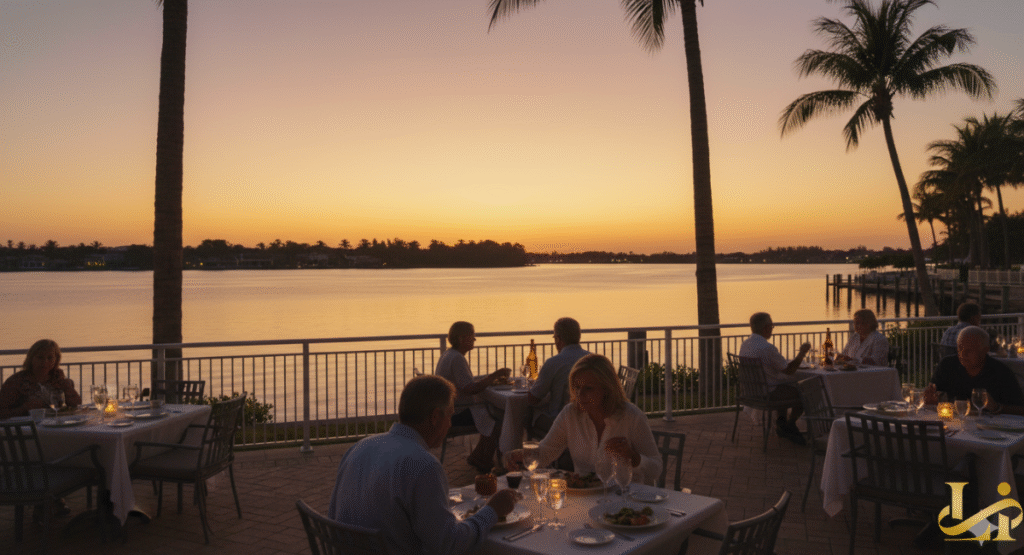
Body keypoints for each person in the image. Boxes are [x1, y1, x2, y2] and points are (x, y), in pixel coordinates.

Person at [327, 375, 517, 555]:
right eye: (449, 416)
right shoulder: (423, 465)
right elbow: (449, 544)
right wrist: (492, 510)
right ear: (435, 417)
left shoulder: (359, 448)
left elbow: (333, 515)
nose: (450, 424)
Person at [505, 353, 662, 484]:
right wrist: (518, 455)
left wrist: (633, 458)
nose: (580, 395)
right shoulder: (570, 415)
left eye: (588, 388)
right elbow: (546, 453)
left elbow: (656, 469)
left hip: (627, 501)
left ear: (606, 389)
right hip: (585, 500)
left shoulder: (631, 417)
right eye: (577, 387)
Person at [434, 321, 510, 472]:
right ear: (462, 339)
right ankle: (487, 461)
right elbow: (470, 389)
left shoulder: (448, 354)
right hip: (456, 413)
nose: (475, 339)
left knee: (491, 413)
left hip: (448, 408)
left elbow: (466, 383)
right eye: (472, 336)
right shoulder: (457, 359)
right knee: (499, 418)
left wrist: (488, 380)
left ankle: (479, 457)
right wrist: (494, 376)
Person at [738, 312, 810, 446]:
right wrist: (802, 353)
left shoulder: (746, 344)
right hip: (767, 394)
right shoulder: (767, 348)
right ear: (766, 328)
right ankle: (790, 424)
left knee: (784, 386)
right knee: (805, 392)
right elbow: (788, 370)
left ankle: (781, 423)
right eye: (772, 326)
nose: (772, 329)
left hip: (750, 392)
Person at [923, 326, 1024, 414]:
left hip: (991, 429)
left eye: (969, 350)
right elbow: (933, 395)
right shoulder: (947, 365)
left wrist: (996, 407)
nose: (963, 354)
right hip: (957, 426)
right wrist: (931, 401)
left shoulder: (1001, 373)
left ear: (985, 350)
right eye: (959, 348)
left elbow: (1020, 409)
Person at [527, 317, 589, 435]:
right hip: (590, 420)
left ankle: (532, 450)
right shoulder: (593, 360)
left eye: (555, 338)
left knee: (526, 416)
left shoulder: (554, 363)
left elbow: (533, 398)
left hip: (559, 421)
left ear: (559, 339)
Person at [0, 339, 82, 420]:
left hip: (56, 426)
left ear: (56, 359)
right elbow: (2, 414)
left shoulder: (58, 377)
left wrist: (69, 389)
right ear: (31, 358)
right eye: (40, 357)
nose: (45, 362)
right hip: (27, 430)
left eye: (50, 358)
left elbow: (77, 406)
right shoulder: (16, 381)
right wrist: (25, 407)